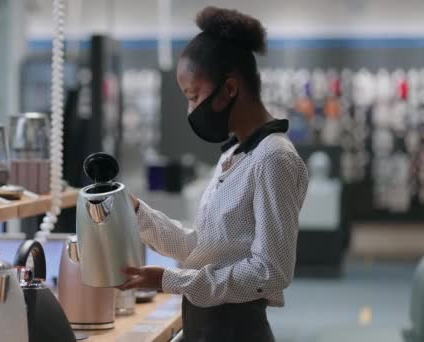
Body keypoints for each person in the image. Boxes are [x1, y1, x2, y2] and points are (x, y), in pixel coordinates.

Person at [117, 6, 309, 341]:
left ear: (229, 89)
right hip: (204, 326)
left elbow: (270, 272)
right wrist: (138, 214)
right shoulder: (234, 154)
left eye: (194, 97)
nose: (191, 110)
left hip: (236, 330)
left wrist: (170, 280)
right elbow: (203, 246)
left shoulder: (273, 158)